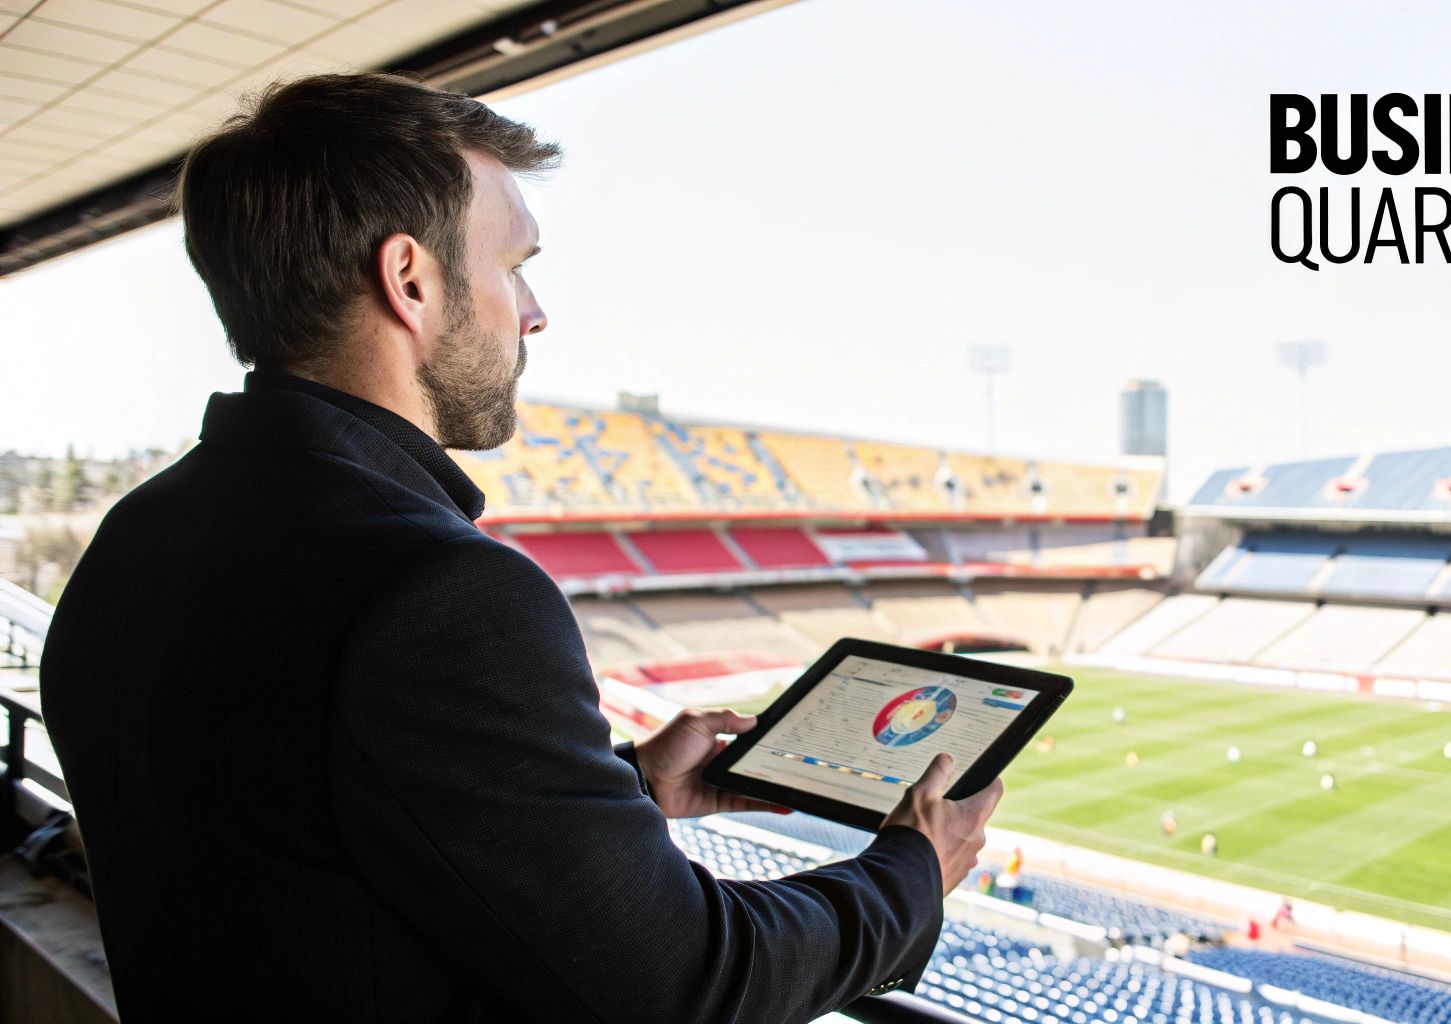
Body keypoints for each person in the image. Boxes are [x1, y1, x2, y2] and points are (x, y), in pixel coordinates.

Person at [38, 72, 1002, 1023]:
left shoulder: (142, 533)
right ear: (410, 280)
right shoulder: (437, 591)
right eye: (514, 266)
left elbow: (298, 817)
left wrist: (626, 789)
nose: (535, 310)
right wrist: (911, 874)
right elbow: (687, 981)